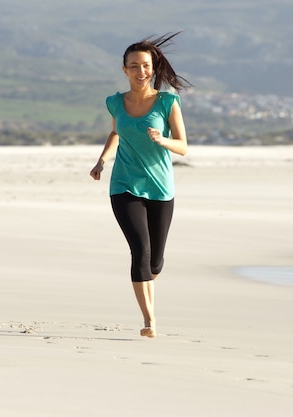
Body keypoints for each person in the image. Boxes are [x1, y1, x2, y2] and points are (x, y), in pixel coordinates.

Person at [89, 32, 192, 338]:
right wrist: (102, 161)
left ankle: (146, 285)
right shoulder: (115, 102)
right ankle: (149, 320)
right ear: (125, 70)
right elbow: (116, 133)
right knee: (141, 250)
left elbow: (184, 146)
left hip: (160, 187)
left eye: (145, 65)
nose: (140, 70)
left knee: (156, 260)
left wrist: (164, 141)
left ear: (153, 67)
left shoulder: (168, 102)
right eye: (134, 65)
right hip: (124, 184)